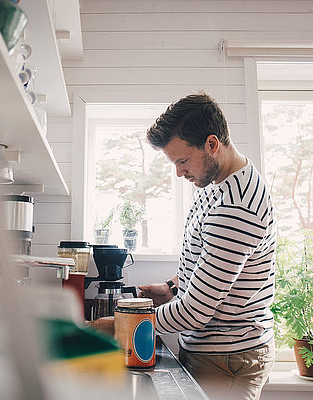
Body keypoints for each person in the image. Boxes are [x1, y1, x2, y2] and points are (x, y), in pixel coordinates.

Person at [90, 92, 277, 400]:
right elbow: (209, 262)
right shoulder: (215, 182)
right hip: (213, 352)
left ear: (212, 144)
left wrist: (123, 326)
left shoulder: (236, 206)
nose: (179, 172)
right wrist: (171, 287)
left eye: (182, 160)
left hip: (227, 360)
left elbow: (197, 311)